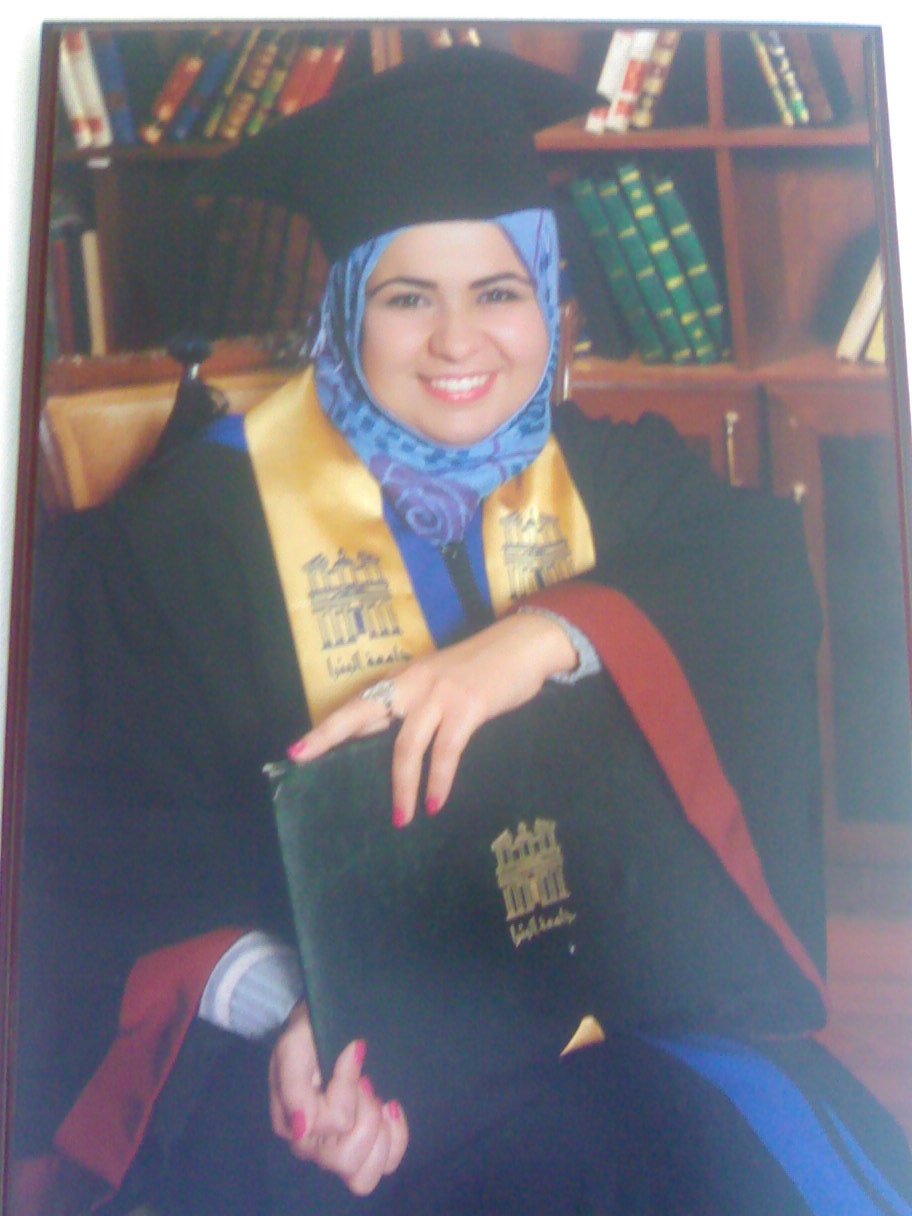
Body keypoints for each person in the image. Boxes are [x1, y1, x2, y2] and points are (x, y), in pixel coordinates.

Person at [11, 42, 912, 1216]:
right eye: (407, 297)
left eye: (498, 291)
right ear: (343, 309)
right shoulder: (184, 537)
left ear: (551, 303)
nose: (457, 342)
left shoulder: (604, 474)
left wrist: (536, 640)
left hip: (610, 1015)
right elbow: (89, 847)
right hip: (343, 1077)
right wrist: (290, 1005)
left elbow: (749, 576)